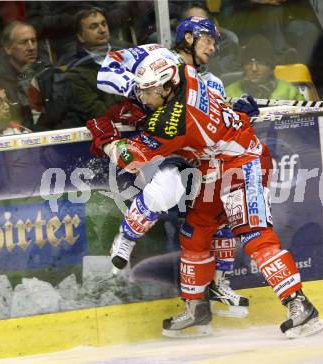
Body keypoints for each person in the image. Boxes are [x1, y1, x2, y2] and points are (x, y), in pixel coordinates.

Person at [87, 49, 323, 339]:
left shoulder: (172, 122)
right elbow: (167, 58)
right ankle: (196, 309)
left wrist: (107, 140)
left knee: (254, 235)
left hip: (242, 164)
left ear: (167, 87)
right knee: (195, 233)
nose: (143, 97)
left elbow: (130, 157)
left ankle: (299, 306)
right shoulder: (185, 73)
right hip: (214, 165)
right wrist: (234, 114)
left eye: (148, 91)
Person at [97, 17, 250, 318]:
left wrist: (238, 113)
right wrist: (142, 89)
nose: (213, 47)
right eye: (208, 39)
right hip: (162, 145)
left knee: (226, 206)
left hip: (200, 156)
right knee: (164, 190)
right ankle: (126, 239)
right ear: (190, 37)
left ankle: (219, 283)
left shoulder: (214, 82)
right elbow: (106, 72)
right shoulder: (156, 55)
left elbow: (217, 125)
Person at [0, 20, 84, 131]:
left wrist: (53, 138)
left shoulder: (52, 74)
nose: (31, 47)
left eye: (33, 41)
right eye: (24, 42)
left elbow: (76, 113)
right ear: (8, 48)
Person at [62, 6, 130, 120]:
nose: (102, 30)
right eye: (94, 27)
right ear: (80, 36)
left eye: (104, 24)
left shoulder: (128, 52)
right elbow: (96, 111)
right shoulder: (76, 69)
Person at [226, 35, 305, 100]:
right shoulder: (228, 94)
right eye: (249, 63)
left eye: (261, 63)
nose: (254, 68)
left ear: (271, 68)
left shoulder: (289, 92)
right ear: (243, 67)